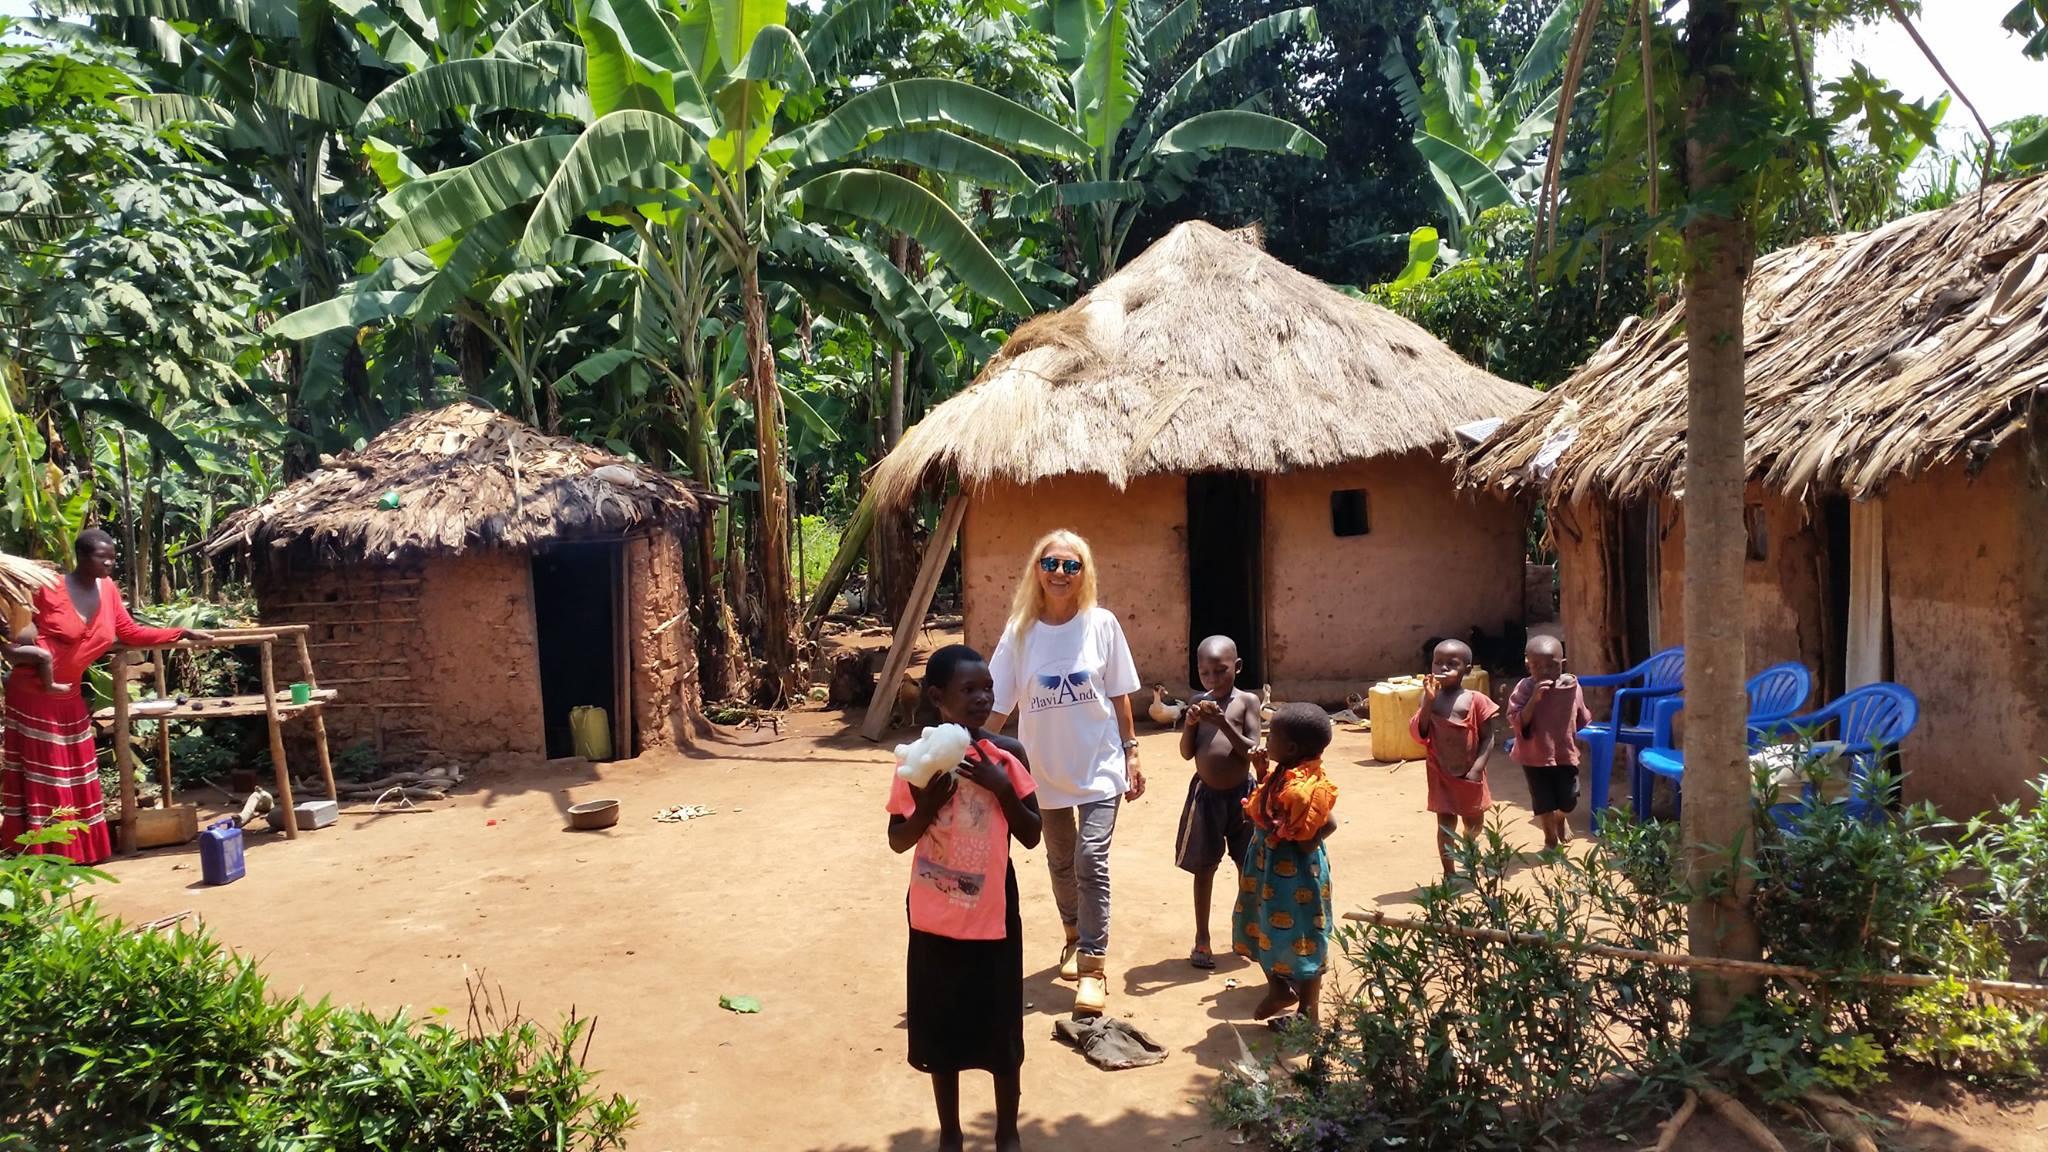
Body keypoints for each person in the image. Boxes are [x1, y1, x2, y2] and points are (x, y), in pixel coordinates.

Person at [888, 644, 1041, 1152]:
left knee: (1001, 1028)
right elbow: (897, 840)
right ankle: (950, 1132)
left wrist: (1002, 789)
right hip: (934, 916)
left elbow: (1032, 834)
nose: (983, 698)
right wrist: (925, 807)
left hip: (993, 913)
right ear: (937, 697)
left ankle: (1007, 1131)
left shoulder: (1006, 756)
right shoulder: (918, 761)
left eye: (988, 688)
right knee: (942, 1029)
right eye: (969, 689)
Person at [987, 529, 1144, 1017]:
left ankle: (1093, 969)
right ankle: (1074, 937)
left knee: (1089, 859)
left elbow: (1119, 695)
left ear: (1084, 573)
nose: (1060, 573)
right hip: (1044, 769)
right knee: (1059, 861)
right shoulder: (1019, 633)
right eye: (1051, 563)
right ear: (1037, 570)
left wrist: (1132, 752)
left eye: (1071, 565)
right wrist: (965, 750)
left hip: (1099, 764)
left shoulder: (1102, 624)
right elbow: (996, 706)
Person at [2, 529, 211, 863]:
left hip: (69, 695)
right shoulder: (48, 588)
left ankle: (79, 853)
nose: (110, 563)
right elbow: (16, 632)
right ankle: (44, 855)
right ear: (82, 557)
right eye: (103, 557)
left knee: (77, 774)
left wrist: (180, 632)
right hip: (33, 693)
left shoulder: (109, 590)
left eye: (113, 557)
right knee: (47, 776)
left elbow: (130, 632)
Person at [1232, 702, 1338, 1031]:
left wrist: (1302, 838)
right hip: (1269, 871)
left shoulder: (1305, 788)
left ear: (1290, 748)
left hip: (1297, 876)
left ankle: (1308, 1014)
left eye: (1272, 735)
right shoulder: (1286, 773)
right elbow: (1273, 806)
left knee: (1305, 936)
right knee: (1263, 925)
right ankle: (1280, 990)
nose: (1266, 739)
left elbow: (1327, 823)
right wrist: (1262, 773)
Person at [1176, 634, 1260, 970]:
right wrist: (1191, 724)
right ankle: (1202, 938)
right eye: (1205, 673)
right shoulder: (1198, 702)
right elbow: (1186, 753)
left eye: (1220, 670)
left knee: (1247, 866)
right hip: (1206, 798)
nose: (1212, 679)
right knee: (1204, 868)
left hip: (1243, 798)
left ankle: (1248, 932)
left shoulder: (1247, 701)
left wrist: (1222, 722)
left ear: (1237, 667)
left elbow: (1251, 750)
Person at [1411, 638, 1499, 879]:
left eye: (1452, 663)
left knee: (1474, 823)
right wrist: (1428, 702)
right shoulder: (1428, 698)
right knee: (1445, 826)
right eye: (1438, 662)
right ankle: (1449, 872)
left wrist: (1478, 768)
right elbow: (1421, 732)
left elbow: (1488, 737)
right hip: (1441, 773)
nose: (1443, 668)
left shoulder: (1476, 700)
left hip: (1470, 773)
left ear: (1467, 670)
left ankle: (1469, 850)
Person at [1508, 635, 1593, 850]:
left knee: (1569, 799)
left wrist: (1575, 735)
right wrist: (1534, 700)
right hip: (1534, 754)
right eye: (1537, 666)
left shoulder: (1572, 686)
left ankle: (1561, 817)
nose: (1545, 671)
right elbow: (1516, 719)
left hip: (1564, 753)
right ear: (1528, 665)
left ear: (1563, 664)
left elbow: (1581, 716)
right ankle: (1550, 840)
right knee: (1543, 801)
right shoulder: (1525, 688)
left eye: (1552, 665)